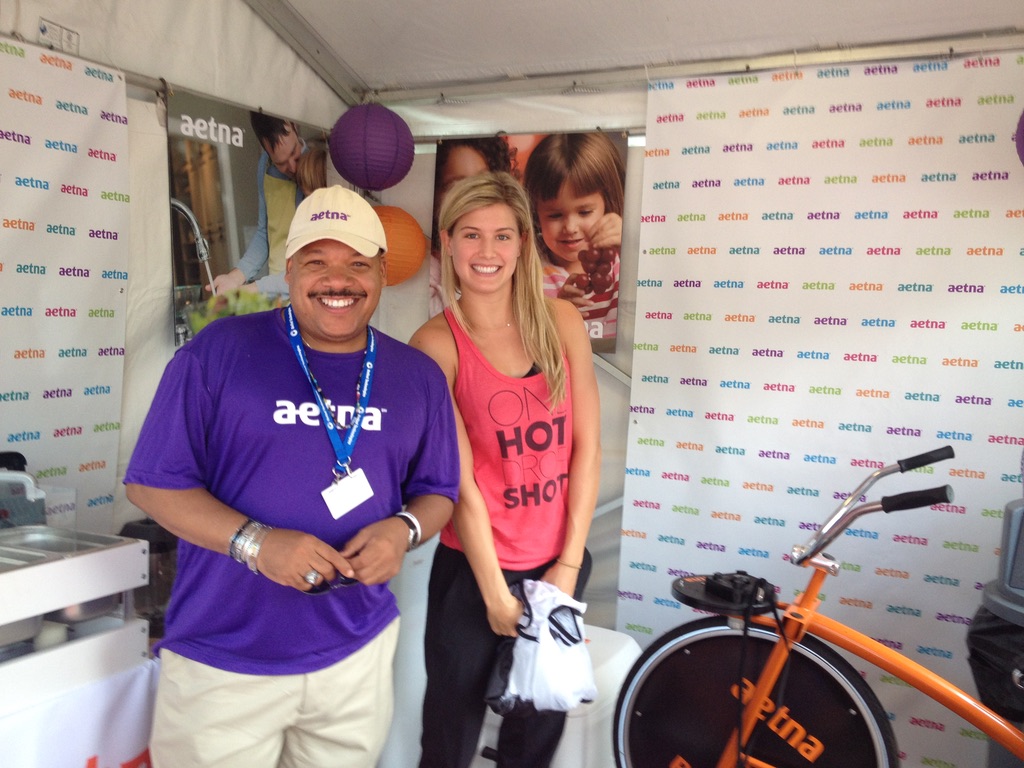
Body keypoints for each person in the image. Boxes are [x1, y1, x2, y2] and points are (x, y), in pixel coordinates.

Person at [125, 185, 460, 768]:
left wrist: (403, 530)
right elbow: (153, 482)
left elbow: (438, 490)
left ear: (383, 272)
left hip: (355, 653)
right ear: (289, 269)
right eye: (317, 262)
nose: (338, 281)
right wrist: (256, 543)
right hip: (223, 659)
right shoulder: (219, 351)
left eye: (358, 264)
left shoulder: (417, 376)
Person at [410, 172, 601, 768]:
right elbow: (460, 482)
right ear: (447, 243)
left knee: (536, 732)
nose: (486, 251)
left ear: (523, 242)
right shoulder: (436, 344)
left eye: (501, 235)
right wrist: (494, 593)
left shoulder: (562, 322)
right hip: (473, 574)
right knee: (449, 736)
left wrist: (568, 566)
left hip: (558, 568)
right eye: (471, 234)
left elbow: (587, 449)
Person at [522, 132, 626, 343]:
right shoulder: (527, 270)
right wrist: (556, 312)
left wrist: (632, 242)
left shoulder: (626, 259)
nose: (570, 227)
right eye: (555, 215)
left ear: (608, 203)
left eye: (584, 212)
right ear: (535, 212)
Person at [209, 111, 307, 298]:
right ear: (265, 150)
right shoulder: (265, 166)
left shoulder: (316, 167)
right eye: (281, 163)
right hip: (277, 293)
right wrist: (235, 278)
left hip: (301, 291)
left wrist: (252, 288)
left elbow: (312, 265)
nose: (293, 167)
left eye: (294, 153)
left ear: (294, 125)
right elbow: (264, 234)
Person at [428, 136, 516, 317]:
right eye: (456, 186)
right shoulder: (428, 274)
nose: (472, 196)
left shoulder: (511, 259)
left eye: (482, 182)